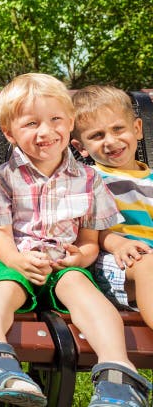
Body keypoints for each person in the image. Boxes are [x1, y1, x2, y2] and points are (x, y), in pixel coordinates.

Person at [0, 73, 152, 407]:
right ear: (9, 132)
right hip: (17, 259)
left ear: (69, 123)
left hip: (65, 264)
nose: (45, 131)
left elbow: (90, 242)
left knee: (86, 295)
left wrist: (78, 259)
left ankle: (119, 374)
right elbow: (0, 236)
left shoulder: (90, 179)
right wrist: (16, 260)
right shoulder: (0, 179)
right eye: (31, 123)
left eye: (55, 120)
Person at [71, 85, 153, 330]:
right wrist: (119, 243)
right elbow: (86, 229)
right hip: (114, 263)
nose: (111, 141)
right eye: (97, 135)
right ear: (80, 147)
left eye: (118, 129)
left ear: (137, 129)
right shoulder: (90, 180)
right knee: (147, 264)